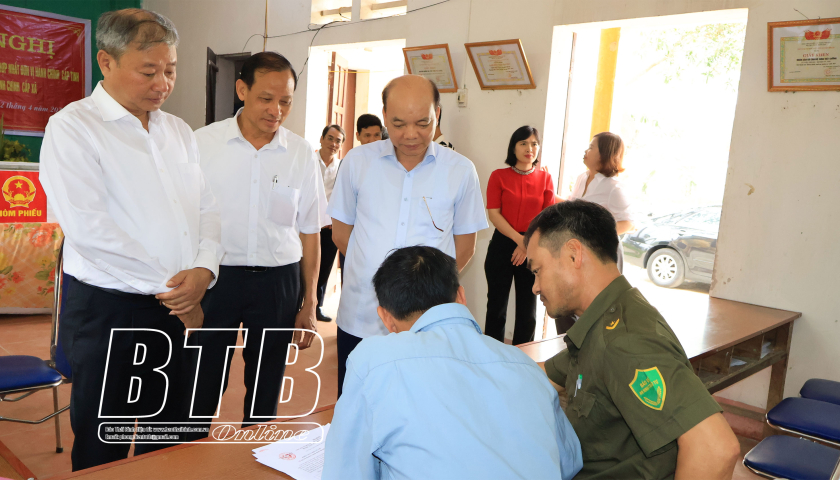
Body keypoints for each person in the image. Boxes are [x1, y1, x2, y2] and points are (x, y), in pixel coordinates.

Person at [39, 9, 223, 470]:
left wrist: (204, 269)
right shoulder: (73, 128)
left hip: (180, 306)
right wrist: (179, 293)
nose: (163, 83)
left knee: (171, 433)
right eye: (149, 71)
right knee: (105, 440)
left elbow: (207, 209)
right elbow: (90, 230)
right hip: (111, 312)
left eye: (170, 70)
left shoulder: (178, 131)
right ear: (106, 61)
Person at [322, 246, 582, 479]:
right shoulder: (526, 367)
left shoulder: (373, 361)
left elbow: (345, 471)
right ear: (461, 296)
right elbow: (569, 463)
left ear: (386, 318)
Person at [524, 200, 741, 480]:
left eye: (537, 270)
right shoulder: (604, 321)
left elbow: (715, 449)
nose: (535, 286)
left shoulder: (624, 342)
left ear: (573, 255)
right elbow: (544, 374)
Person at [328, 75, 488, 397]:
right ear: (385, 116)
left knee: (420, 403)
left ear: (437, 114)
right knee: (355, 401)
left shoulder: (460, 170)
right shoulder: (358, 162)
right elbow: (342, 234)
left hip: (428, 319)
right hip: (362, 313)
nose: (411, 134)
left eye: (423, 123)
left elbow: (465, 246)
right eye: (399, 124)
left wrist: (423, 291)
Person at [190, 52, 324, 434]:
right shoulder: (203, 143)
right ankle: (186, 453)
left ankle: (256, 452)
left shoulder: (300, 153)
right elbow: (184, 219)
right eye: (266, 98)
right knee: (202, 378)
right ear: (241, 90)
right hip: (215, 278)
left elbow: (310, 231)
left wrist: (309, 303)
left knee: (267, 384)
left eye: (285, 101)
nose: (276, 110)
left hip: (277, 282)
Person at [484, 126, 554, 345]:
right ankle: (492, 353)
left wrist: (526, 245)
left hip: (533, 247)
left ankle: (523, 356)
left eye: (534, 144)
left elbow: (546, 219)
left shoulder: (545, 179)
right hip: (503, 244)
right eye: (523, 143)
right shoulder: (498, 176)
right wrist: (520, 240)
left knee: (528, 310)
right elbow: (494, 214)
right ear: (513, 147)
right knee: (496, 307)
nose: (529, 148)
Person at [314, 124, 345, 322]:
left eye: (338, 141)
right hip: (307, 227)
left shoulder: (342, 167)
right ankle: (297, 305)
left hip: (329, 228)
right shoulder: (309, 161)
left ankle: (317, 306)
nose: (333, 144)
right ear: (322, 139)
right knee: (302, 267)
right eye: (330, 138)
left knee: (324, 268)